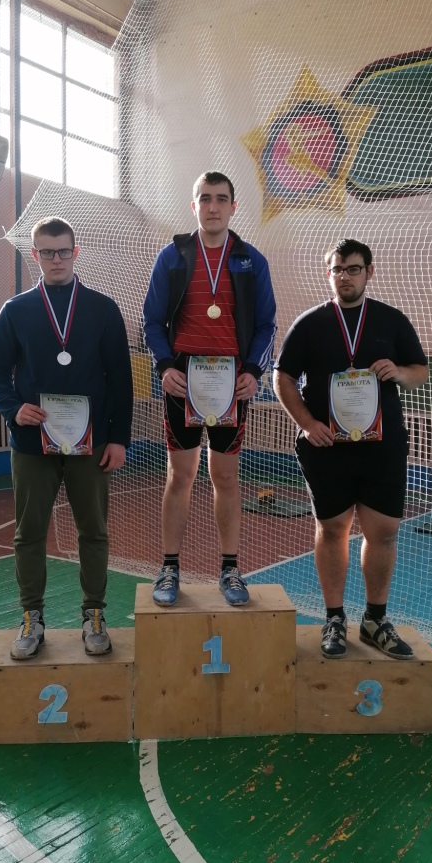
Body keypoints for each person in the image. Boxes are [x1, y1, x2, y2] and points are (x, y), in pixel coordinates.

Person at [0, 216, 133, 660]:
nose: (56, 259)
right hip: (33, 443)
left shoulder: (103, 309)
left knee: (94, 531)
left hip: (92, 443)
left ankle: (94, 614)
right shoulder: (16, 310)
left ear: (75, 252)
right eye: (47, 252)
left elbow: (121, 380)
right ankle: (32, 617)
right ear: (35, 255)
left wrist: (119, 438)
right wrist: (13, 409)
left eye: (63, 250)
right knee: (29, 533)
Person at [273, 239, 428, 659]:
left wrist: (399, 372)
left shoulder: (392, 320)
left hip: (382, 446)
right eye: (338, 269)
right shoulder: (310, 323)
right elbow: (282, 377)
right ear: (330, 274)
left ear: (369, 272)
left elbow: (420, 372)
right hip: (327, 447)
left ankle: (375, 620)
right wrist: (307, 424)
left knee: (384, 532)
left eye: (353, 269)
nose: (345, 276)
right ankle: (334, 618)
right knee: (332, 530)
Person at [143, 172, 276, 607]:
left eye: (221, 199)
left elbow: (266, 325)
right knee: (180, 475)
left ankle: (230, 569)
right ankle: (169, 568)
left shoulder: (251, 261)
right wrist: (164, 365)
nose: (213, 206)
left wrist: (254, 370)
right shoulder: (173, 257)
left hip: (232, 382)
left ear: (233, 207)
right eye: (205, 198)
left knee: (226, 477)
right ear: (194, 205)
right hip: (182, 377)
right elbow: (152, 321)